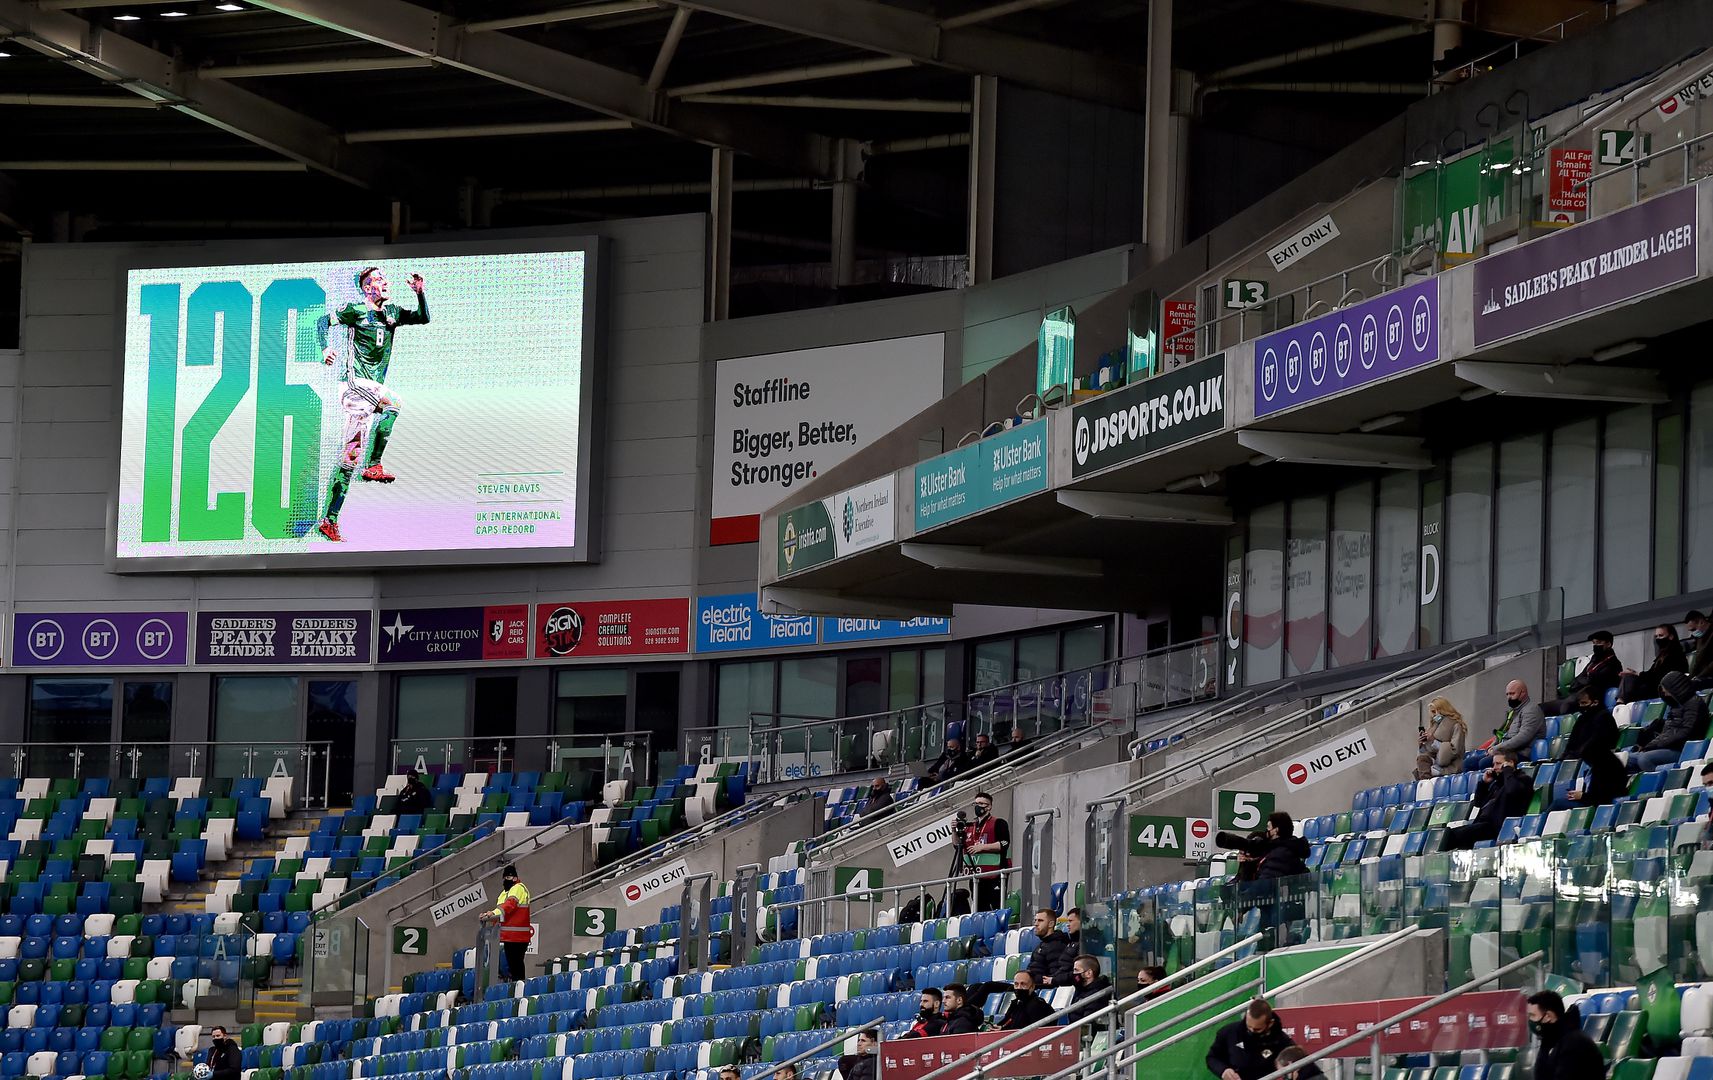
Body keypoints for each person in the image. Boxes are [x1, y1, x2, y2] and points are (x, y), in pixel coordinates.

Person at [315, 266, 429, 542]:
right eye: (378, 279)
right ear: (367, 288)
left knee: (351, 457)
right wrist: (325, 348)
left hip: (371, 389)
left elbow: (423, 318)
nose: (385, 282)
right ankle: (373, 466)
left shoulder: (392, 313)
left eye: (385, 278)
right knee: (393, 405)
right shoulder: (355, 310)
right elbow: (322, 321)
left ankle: (330, 519)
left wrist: (420, 294)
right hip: (355, 387)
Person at [1206, 998, 1321, 1080]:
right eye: (1248, 1026)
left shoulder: (1281, 1041)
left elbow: (1304, 1066)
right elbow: (1212, 1058)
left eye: (1257, 1029)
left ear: (1269, 1024)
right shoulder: (1228, 1032)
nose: (1251, 1031)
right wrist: (1223, 1071)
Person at [1442, 748, 1533, 851]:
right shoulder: (1497, 783)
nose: (1494, 768)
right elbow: (1478, 803)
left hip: (1497, 827)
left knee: (1457, 835)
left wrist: (1507, 770)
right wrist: (1484, 784)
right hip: (1482, 825)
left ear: (1510, 763)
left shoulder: (1523, 780)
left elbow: (1512, 791)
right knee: (1446, 834)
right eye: (1493, 764)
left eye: (1498, 764)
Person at [1554, 685, 1626, 810]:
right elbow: (1572, 743)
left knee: (1557, 804)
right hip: (1591, 801)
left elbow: (1601, 799)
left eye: (1584, 703)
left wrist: (1582, 796)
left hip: (1595, 806)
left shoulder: (1606, 767)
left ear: (1595, 702)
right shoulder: (1582, 720)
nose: (1581, 707)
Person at [1627, 670, 1709, 773]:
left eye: (1665, 688)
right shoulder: (1675, 705)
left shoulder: (1694, 703)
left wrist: (1655, 745)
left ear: (1674, 687)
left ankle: (1657, 787)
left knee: (1645, 759)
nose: (1664, 692)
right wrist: (1651, 744)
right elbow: (1667, 731)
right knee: (1626, 760)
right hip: (1668, 747)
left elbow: (1686, 732)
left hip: (1682, 749)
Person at [1527, 991, 1604, 1080]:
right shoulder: (1550, 1041)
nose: (1530, 1020)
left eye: (1532, 1015)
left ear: (1548, 1016)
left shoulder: (1575, 1043)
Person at [1543, 631, 1622, 714]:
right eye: (1594, 643)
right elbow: (1577, 680)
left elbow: (1595, 681)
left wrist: (1586, 680)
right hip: (1577, 696)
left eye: (1598, 643)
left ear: (1608, 644)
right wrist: (1586, 680)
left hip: (1590, 700)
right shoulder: (1593, 661)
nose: (1595, 646)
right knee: (1540, 708)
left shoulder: (1613, 664)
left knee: (1566, 707)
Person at [480, 864, 532, 984]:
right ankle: (516, 989)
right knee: (513, 966)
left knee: (517, 966)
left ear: (514, 878)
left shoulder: (518, 888)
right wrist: (489, 916)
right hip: (509, 936)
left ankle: (519, 990)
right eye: (505, 878)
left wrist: (492, 913)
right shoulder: (505, 892)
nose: (506, 880)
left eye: (509, 877)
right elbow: (501, 912)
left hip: (518, 936)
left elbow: (509, 906)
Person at [961, 792, 1010, 912]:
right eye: (976, 803)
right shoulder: (969, 826)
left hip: (995, 873)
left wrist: (982, 847)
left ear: (989, 807)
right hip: (976, 874)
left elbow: (1004, 843)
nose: (978, 806)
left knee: (996, 907)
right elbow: (957, 845)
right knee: (979, 908)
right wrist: (954, 831)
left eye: (981, 804)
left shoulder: (999, 823)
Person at [1619, 624, 1688, 703]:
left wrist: (1638, 674)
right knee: (1629, 677)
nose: (1658, 639)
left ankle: (1620, 704)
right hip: (1655, 686)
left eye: (1661, 635)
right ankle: (1620, 703)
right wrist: (1635, 673)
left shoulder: (1675, 655)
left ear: (1671, 636)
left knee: (1633, 684)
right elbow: (1651, 673)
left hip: (1663, 689)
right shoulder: (1662, 655)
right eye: (1656, 636)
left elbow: (1659, 676)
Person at [1488, 680, 1546, 762]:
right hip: (1507, 752)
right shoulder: (1513, 712)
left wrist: (1497, 748)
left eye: (1512, 694)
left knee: (1482, 763)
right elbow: (1503, 734)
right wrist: (1492, 746)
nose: (1509, 697)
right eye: (1507, 694)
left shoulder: (1531, 710)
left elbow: (1523, 738)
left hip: (1521, 754)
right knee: (1470, 762)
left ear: (1523, 693)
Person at [977, 970, 1053, 1030]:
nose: (1019, 987)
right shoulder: (1016, 1003)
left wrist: (1004, 1029)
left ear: (1032, 987)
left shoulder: (1038, 1005)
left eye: (1023, 984)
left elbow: (1031, 1030)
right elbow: (1007, 1022)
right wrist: (999, 1027)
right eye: (1016, 984)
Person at [1414, 697, 1468, 780]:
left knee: (1424, 772)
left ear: (1442, 710)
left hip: (1451, 766)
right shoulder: (1432, 727)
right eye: (1432, 712)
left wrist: (1433, 741)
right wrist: (1422, 745)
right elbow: (1427, 752)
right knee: (1422, 762)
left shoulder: (1456, 725)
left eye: (1435, 711)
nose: (1434, 715)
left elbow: (1455, 750)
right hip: (1434, 763)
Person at [1026, 908, 1074, 986]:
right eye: (1035, 920)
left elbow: (1054, 977)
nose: (1036, 924)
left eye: (1040, 920)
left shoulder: (1057, 946)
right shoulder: (1043, 944)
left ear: (1051, 924)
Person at [1065, 954, 1112, 1027]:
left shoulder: (1098, 994)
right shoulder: (1081, 990)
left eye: (1076, 970)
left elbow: (1088, 1024)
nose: (1074, 974)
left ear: (1089, 973)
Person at [1688, 610, 1713, 690]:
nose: (1693, 633)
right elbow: (1697, 661)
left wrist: (1699, 676)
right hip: (1704, 676)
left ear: (1701, 622)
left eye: (1693, 629)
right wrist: (1691, 678)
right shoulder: (1700, 638)